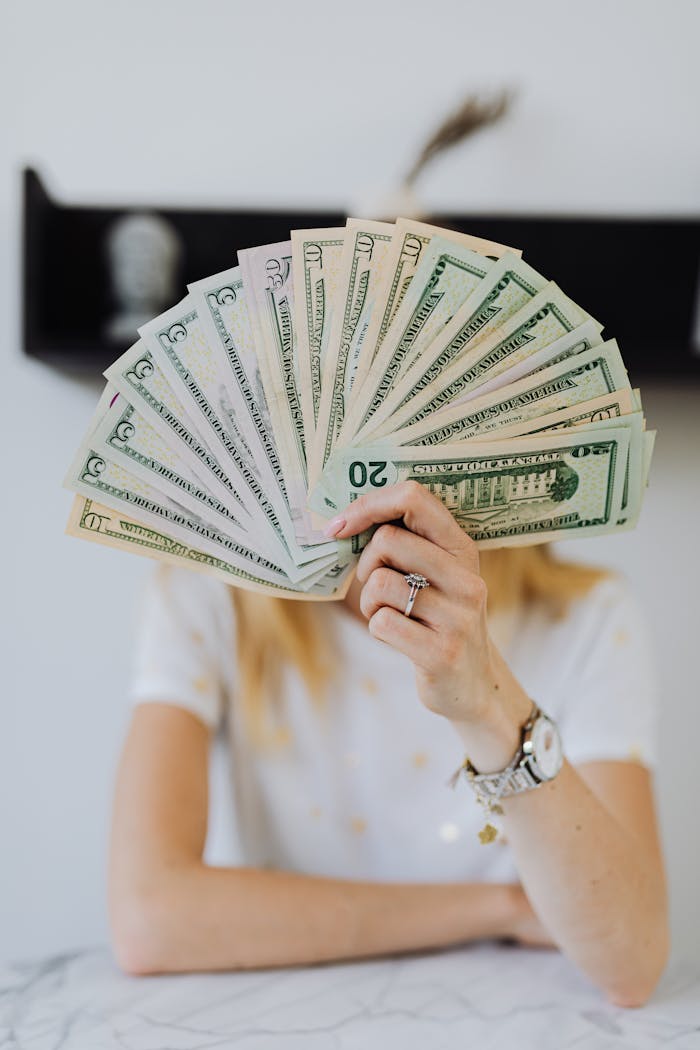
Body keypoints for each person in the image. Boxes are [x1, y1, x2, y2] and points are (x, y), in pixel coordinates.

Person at [108, 482, 669, 1006]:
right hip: (294, 1014)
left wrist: (485, 703)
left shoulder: (588, 616)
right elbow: (148, 918)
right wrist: (506, 909)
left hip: (511, 1016)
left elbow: (632, 961)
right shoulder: (211, 596)